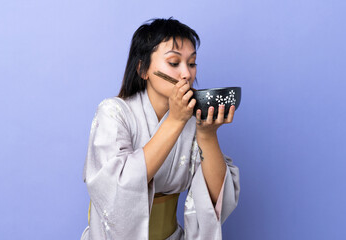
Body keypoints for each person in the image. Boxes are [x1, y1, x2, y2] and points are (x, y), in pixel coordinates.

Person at [81, 18, 240, 240]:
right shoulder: (114, 112)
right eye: (174, 63)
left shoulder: (191, 120)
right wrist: (174, 121)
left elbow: (218, 200)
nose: (186, 74)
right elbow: (114, 189)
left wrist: (207, 135)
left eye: (192, 63)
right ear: (143, 69)